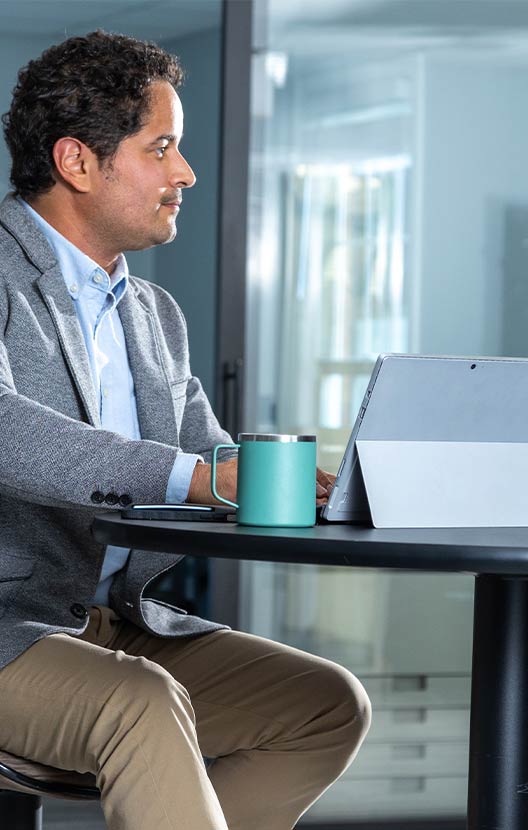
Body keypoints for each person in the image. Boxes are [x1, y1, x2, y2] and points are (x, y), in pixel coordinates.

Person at [0, 31, 369, 830]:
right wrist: (200, 479)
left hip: (118, 622)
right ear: (77, 161)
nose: (185, 174)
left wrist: (309, 481)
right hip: (10, 625)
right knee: (140, 700)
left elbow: (213, 453)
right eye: (161, 147)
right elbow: (5, 431)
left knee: (326, 705)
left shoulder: (152, 312)